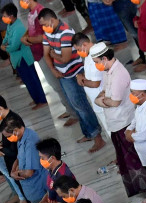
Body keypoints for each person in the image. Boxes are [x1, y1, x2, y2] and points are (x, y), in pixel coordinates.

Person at [91, 43, 146, 203]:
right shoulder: (108, 71)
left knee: (135, 156)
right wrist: (103, 99)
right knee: (125, 158)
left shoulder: (118, 73)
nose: (96, 65)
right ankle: (140, 186)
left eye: (96, 61)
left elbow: (114, 102)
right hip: (115, 121)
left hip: (124, 121)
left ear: (104, 58)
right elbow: (104, 95)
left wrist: (101, 100)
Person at [39, 8, 106, 153]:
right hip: (61, 74)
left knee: (81, 105)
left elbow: (65, 58)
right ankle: (88, 133)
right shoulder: (48, 32)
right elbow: (45, 54)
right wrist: (53, 69)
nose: (43, 28)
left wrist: (53, 54)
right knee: (75, 105)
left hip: (74, 73)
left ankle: (97, 137)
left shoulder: (66, 32)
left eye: (44, 24)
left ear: (52, 20)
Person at [0, 3, 46, 108]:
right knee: (27, 80)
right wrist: (3, 45)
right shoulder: (10, 25)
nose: (3, 18)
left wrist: (4, 48)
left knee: (32, 79)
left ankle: (41, 99)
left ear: (11, 16)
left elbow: (14, 45)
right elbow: (6, 38)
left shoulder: (18, 27)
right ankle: (36, 99)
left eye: (4, 16)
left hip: (23, 58)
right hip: (17, 58)